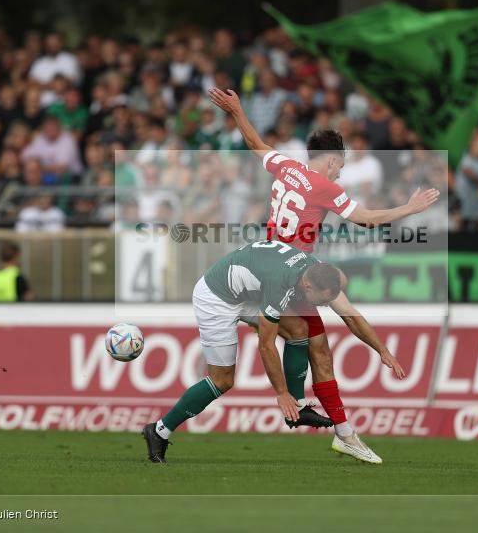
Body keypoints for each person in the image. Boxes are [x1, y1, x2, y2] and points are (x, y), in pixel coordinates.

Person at [208, 87, 438, 462]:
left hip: (267, 262)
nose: (342, 169)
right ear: (333, 160)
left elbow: (254, 142)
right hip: (294, 273)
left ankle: (342, 430)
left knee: (319, 345)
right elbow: (366, 219)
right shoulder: (326, 186)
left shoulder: (285, 166)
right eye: (342, 164)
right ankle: (320, 416)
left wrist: (237, 111)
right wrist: (409, 208)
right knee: (322, 336)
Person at [142, 240, 401, 464]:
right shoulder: (280, 285)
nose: (322, 307)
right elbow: (265, 345)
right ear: (308, 287)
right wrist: (281, 393)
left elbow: (350, 315)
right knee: (222, 381)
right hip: (216, 298)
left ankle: (298, 408)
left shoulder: (315, 269)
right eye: (321, 302)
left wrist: (382, 351)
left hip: (244, 293)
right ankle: (160, 430)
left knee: (299, 328)